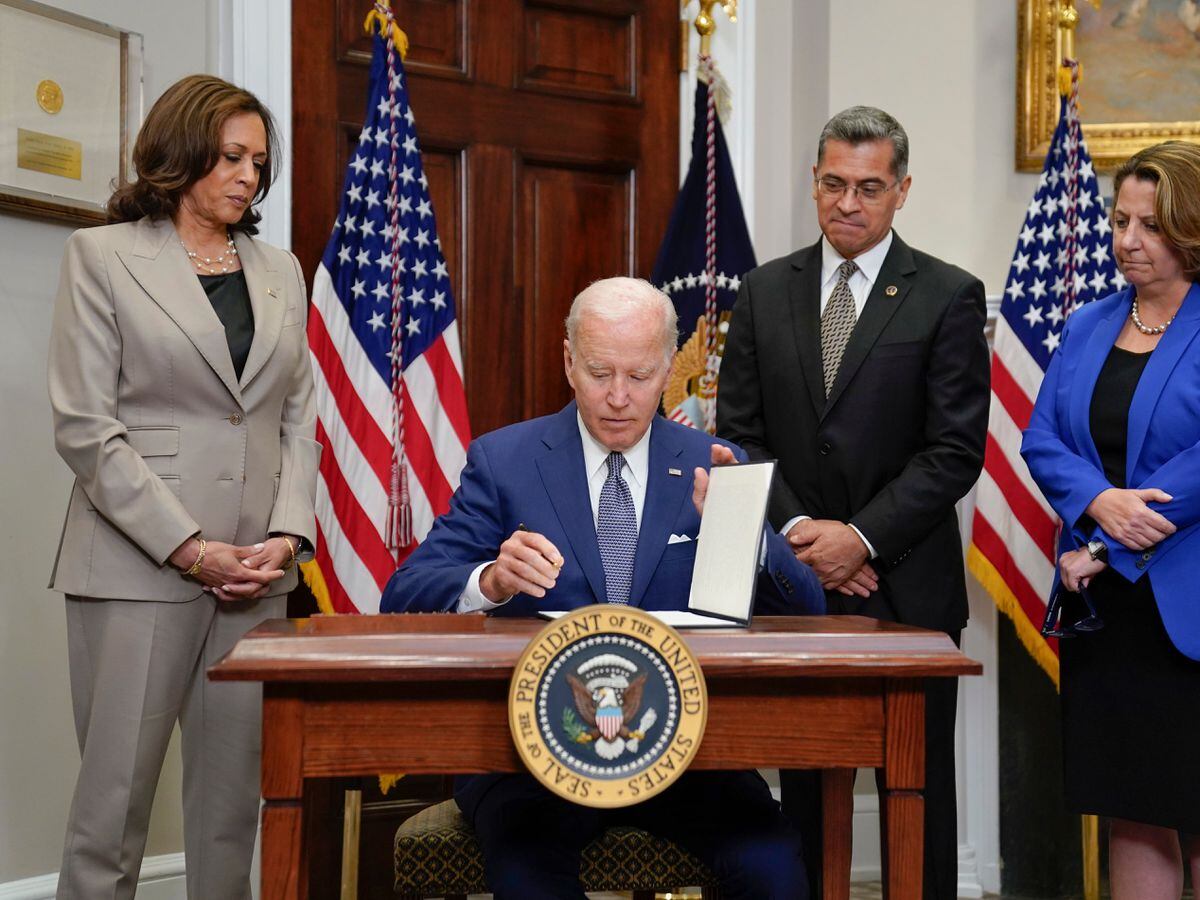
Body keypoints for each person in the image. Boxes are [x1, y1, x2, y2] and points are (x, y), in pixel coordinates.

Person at [381, 276, 823, 899]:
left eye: (640, 376)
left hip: (684, 754)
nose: (618, 397)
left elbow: (807, 608)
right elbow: (406, 592)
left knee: (773, 865)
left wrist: (746, 535)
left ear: (671, 366)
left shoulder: (714, 461)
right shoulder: (505, 461)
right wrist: (492, 580)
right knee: (528, 872)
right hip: (530, 758)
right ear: (568, 360)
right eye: (598, 372)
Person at [47, 74, 319, 899]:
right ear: (182, 152)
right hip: (139, 568)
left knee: (233, 808)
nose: (247, 176)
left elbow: (297, 418)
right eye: (230, 156)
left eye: (259, 162)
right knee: (113, 810)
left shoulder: (281, 269)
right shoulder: (101, 255)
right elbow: (86, 429)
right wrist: (191, 548)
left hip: (255, 580)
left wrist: (288, 533)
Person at [716, 105, 990, 900]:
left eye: (869, 187)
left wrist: (862, 539)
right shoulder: (764, 292)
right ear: (814, 181)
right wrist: (805, 533)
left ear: (902, 190)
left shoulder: (947, 294)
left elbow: (954, 451)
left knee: (919, 787)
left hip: (907, 587)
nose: (848, 203)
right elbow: (738, 437)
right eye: (833, 184)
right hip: (794, 585)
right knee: (802, 787)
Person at [1021, 140, 1200, 900]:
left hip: (1186, 604)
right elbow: (1040, 439)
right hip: (1111, 615)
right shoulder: (1091, 322)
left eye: (1149, 225)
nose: (1127, 240)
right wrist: (1097, 504)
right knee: (1134, 808)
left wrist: (1103, 538)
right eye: (1120, 220)